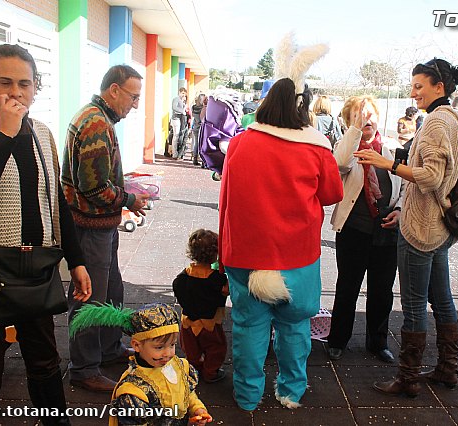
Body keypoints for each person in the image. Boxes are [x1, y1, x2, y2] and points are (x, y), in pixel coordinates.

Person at [0, 44, 92, 425]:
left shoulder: (42, 133)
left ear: (35, 87)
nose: (15, 92)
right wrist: (5, 134)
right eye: (5, 82)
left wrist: (76, 261)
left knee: (44, 360)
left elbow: (55, 204)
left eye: (24, 83)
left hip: (34, 268)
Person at [218, 75, 343, 410]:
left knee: (248, 328)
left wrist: (223, 253)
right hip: (297, 257)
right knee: (294, 327)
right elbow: (333, 194)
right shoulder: (316, 147)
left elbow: (226, 199)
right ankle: (291, 391)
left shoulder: (242, 142)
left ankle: (247, 396)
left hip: (246, 255)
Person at [355, 57, 458, 397]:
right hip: (442, 227)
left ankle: (408, 378)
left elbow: (432, 177)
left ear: (440, 87)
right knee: (442, 300)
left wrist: (386, 162)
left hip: (422, 228)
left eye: (420, 86)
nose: (414, 92)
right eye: (413, 85)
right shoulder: (457, 120)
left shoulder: (435, 123)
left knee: (416, 304)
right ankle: (447, 369)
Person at [62, 65, 149, 393]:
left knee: (111, 290)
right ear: (114, 91)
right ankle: (84, 369)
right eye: (133, 96)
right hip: (89, 228)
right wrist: (130, 199)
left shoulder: (96, 117)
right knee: (89, 299)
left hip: (99, 226)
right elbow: (94, 188)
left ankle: (109, 348)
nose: (135, 104)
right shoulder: (97, 123)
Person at [326, 95, 404, 364]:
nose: (366, 119)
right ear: (349, 121)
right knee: (347, 287)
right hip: (353, 230)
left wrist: (400, 210)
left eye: (369, 114)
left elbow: (406, 184)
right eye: (359, 115)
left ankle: (378, 342)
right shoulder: (346, 145)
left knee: (382, 290)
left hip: (387, 230)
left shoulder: (392, 148)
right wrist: (355, 131)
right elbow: (339, 165)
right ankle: (338, 340)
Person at [69, 303, 212, 426]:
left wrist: (198, 409)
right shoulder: (134, 393)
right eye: (159, 347)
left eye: (172, 345)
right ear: (137, 345)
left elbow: (187, 393)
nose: (168, 353)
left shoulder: (179, 366)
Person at [172, 229, 229, 384]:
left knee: (190, 349)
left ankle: (194, 368)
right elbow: (226, 291)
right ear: (215, 254)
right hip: (209, 324)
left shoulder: (181, 277)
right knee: (216, 348)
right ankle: (210, 372)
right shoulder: (217, 279)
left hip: (187, 322)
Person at [171, 87, 189, 159]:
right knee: (176, 135)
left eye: (184, 94)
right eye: (182, 93)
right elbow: (174, 107)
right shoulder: (176, 99)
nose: (183, 95)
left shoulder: (182, 100)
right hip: (176, 118)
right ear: (179, 92)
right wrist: (182, 110)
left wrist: (184, 104)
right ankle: (174, 153)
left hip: (181, 119)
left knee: (179, 135)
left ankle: (177, 151)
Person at [191, 93, 207, 166]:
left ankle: (195, 158)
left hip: (195, 126)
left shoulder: (194, 107)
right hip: (202, 127)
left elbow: (193, 116)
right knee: (202, 144)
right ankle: (203, 162)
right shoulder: (204, 108)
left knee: (196, 144)